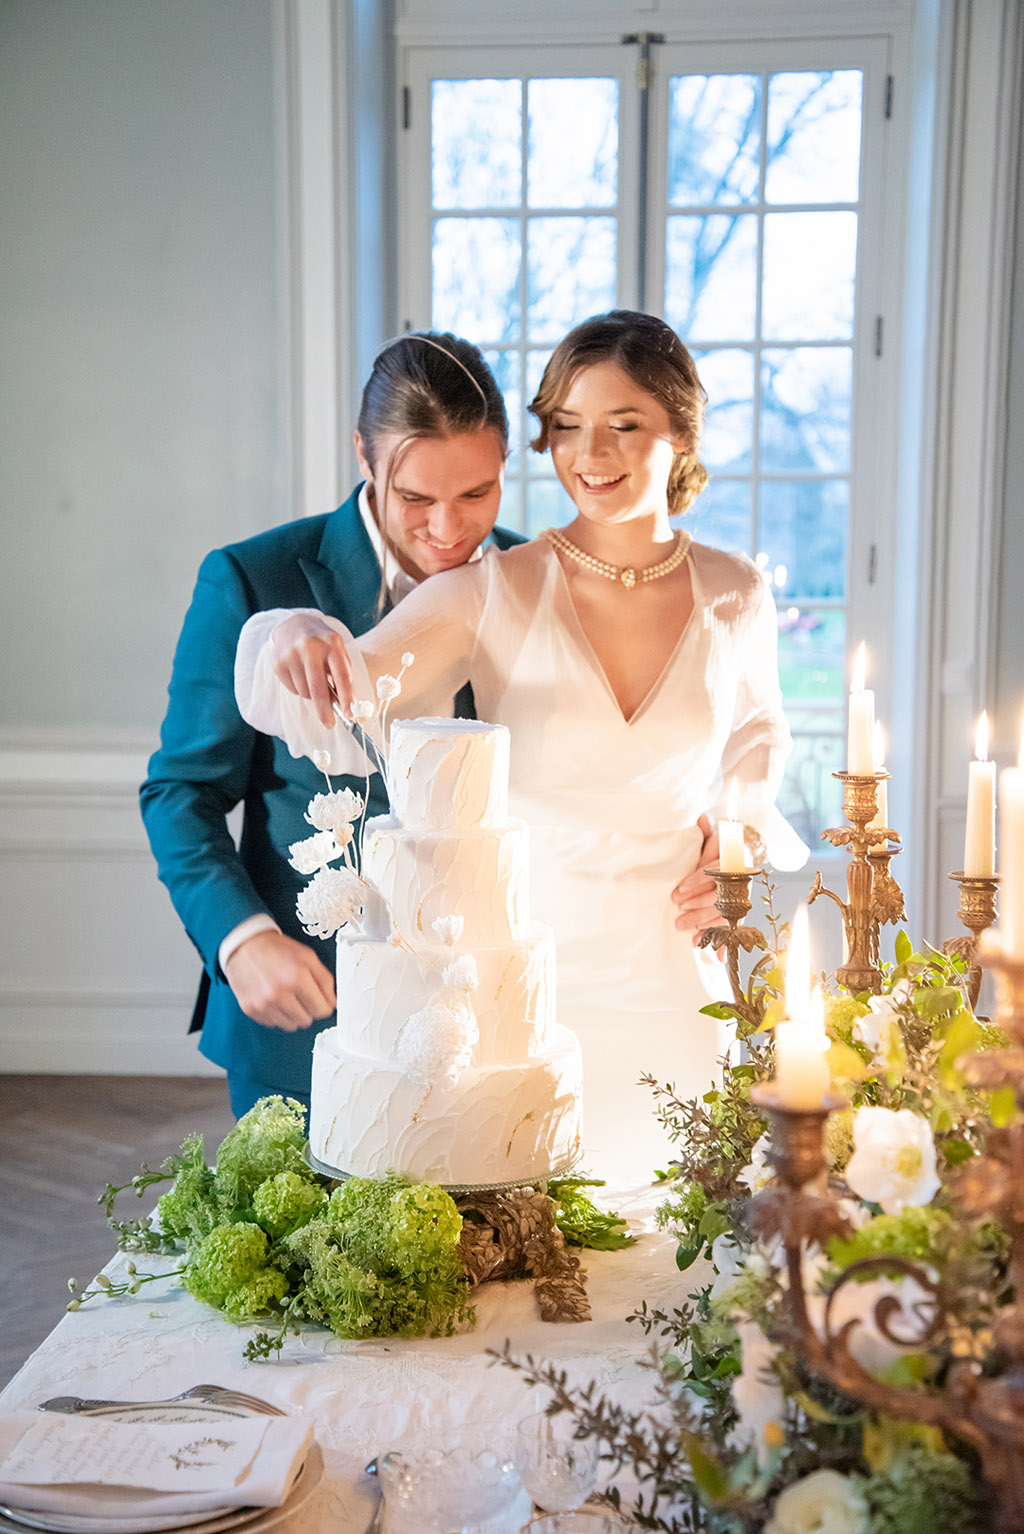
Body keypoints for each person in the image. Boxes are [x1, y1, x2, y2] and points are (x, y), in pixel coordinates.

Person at [235, 311, 806, 1181]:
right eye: (568, 426)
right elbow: (356, 678)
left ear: (682, 432)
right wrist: (293, 629)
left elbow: (756, 745)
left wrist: (742, 845)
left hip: (677, 970)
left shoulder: (739, 594)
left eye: (624, 425)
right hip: (524, 990)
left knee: (678, 1251)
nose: (591, 453)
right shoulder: (491, 587)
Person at [140, 332, 525, 1120]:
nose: (450, 529)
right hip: (306, 1023)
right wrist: (240, 938)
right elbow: (181, 791)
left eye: (477, 494)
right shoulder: (256, 577)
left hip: (491, 1023)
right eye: (416, 497)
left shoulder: (529, 579)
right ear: (362, 454)